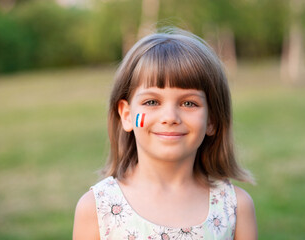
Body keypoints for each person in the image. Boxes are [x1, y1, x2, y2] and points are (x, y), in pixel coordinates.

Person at [73, 28, 257, 240]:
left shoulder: (234, 208)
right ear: (126, 115)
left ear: (212, 119)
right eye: (152, 102)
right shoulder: (97, 209)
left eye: (189, 103)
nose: (170, 117)